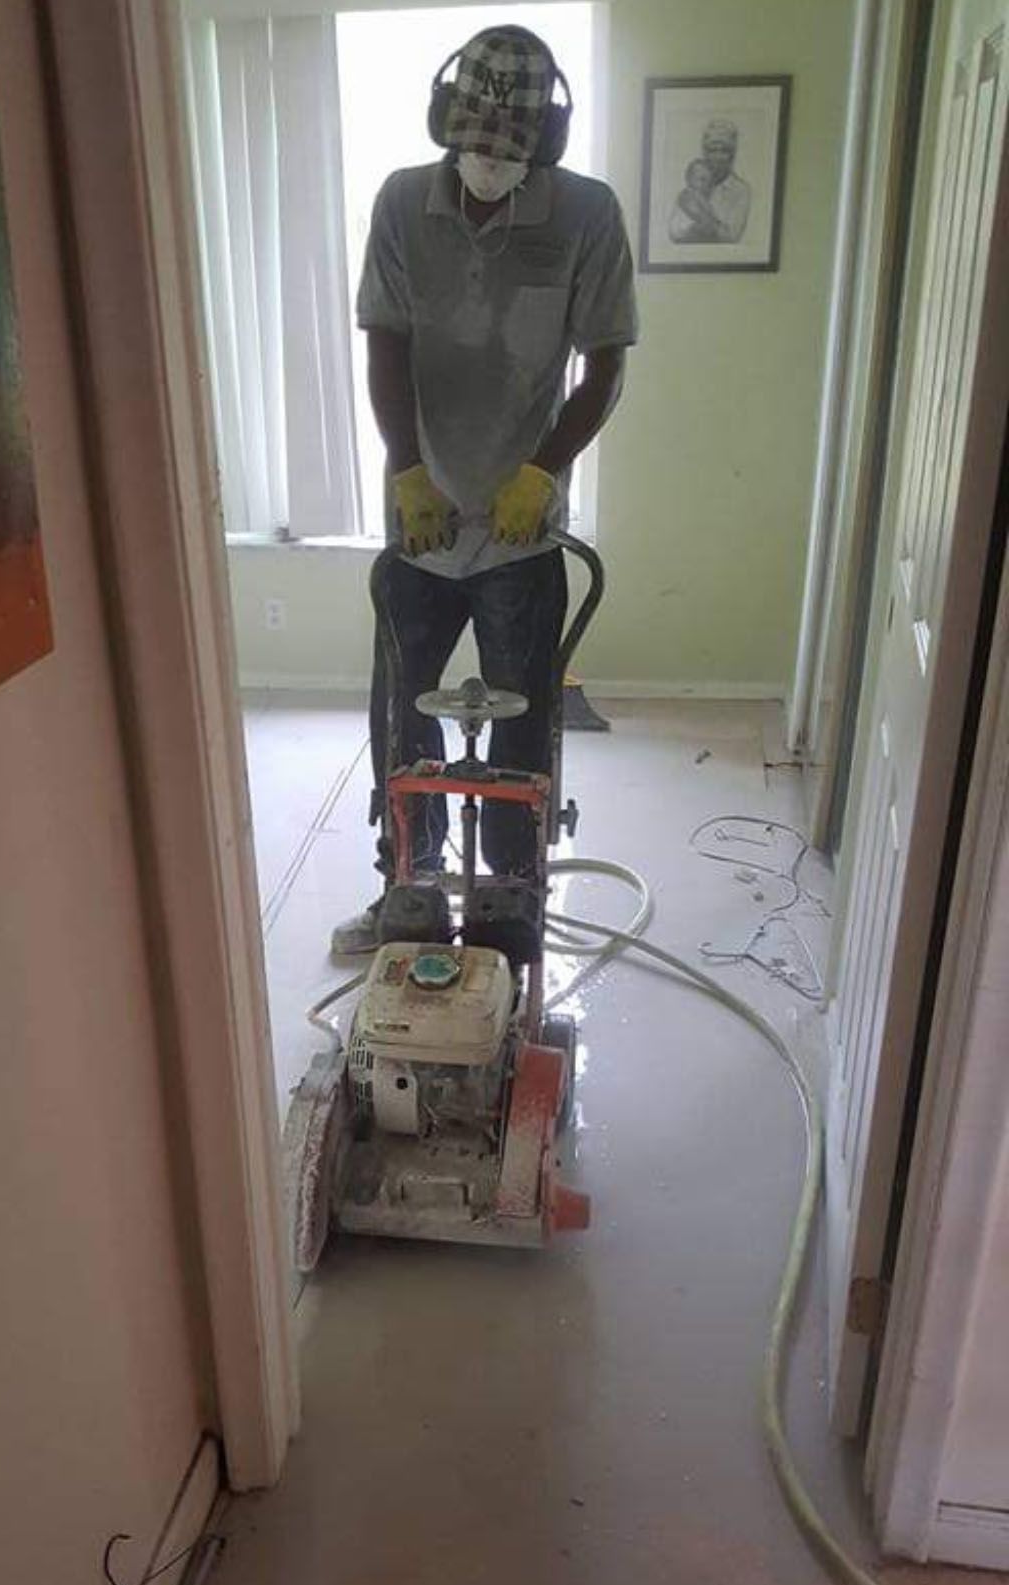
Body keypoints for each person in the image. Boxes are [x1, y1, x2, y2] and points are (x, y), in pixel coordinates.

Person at [330, 24, 638, 954]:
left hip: (520, 536)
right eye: (470, 151)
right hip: (420, 527)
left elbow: (606, 368)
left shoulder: (586, 217)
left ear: (542, 143)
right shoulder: (400, 204)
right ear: (445, 129)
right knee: (402, 717)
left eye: (505, 155)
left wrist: (543, 469)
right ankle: (406, 890)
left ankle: (510, 906)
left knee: (520, 735)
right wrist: (407, 467)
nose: (484, 172)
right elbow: (384, 342)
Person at [667, 157, 718, 243]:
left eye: (710, 181)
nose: (706, 185)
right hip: (681, 233)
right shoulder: (686, 195)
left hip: (693, 232)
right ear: (688, 180)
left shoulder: (704, 198)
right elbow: (697, 214)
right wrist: (708, 220)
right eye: (702, 179)